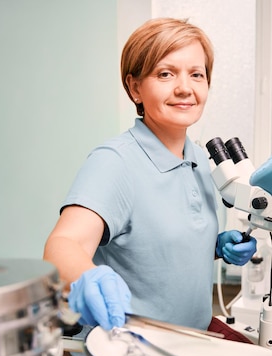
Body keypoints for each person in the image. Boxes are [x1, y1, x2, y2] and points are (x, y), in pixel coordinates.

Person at [44, 17, 257, 335]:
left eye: (197, 74)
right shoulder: (115, 162)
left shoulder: (198, 157)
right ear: (135, 87)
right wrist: (87, 276)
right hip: (133, 351)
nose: (185, 88)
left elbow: (155, 247)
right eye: (165, 74)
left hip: (190, 337)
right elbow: (63, 244)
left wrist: (215, 246)